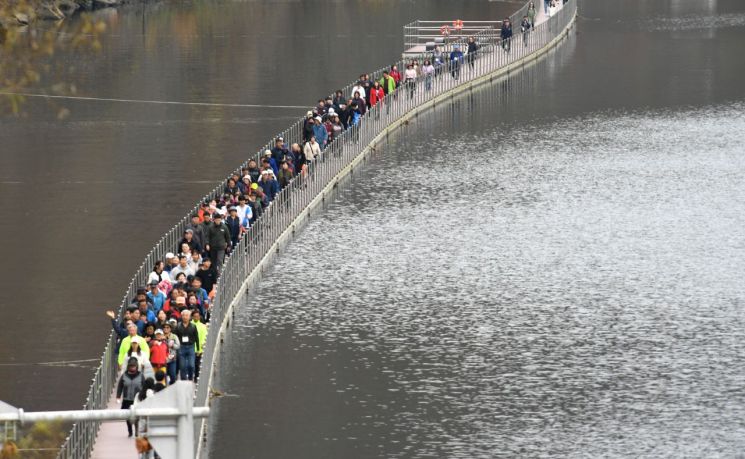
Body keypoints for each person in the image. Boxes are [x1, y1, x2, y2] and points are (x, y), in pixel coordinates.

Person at [116, 357, 144, 437]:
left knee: (137, 416)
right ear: (128, 366)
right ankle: (130, 430)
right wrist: (118, 396)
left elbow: (144, 387)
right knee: (127, 416)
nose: (132, 367)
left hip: (137, 400)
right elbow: (120, 386)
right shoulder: (124, 375)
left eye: (134, 366)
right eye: (131, 366)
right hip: (126, 400)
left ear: (136, 366)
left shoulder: (141, 376)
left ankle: (136, 429)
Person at [175, 309, 200, 381]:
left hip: (191, 347)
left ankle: (190, 378)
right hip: (181, 347)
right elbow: (175, 337)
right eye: (183, 315)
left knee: (191, 365)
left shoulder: (193, 326)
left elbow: (196, 338)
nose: (185, 317)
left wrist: (198, 349)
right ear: (181, 316)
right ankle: (183, 380)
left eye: (186, 315)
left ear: (189, 317)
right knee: (182, 366)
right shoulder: (178, 326)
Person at [191, 309, 208, 382]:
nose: (196, 318)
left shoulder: (202, 326)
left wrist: (200, 349)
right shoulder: (189, 325)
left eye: (197, 316)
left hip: (198, 349)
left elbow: (204, 337)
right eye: (194, 316)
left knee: (197, 364)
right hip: (190, 348)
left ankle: (196, 378)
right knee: (191, 365)